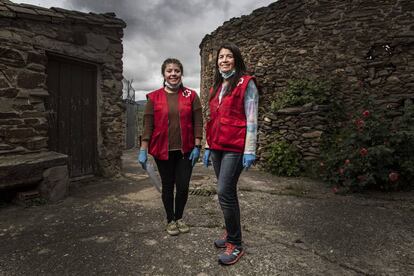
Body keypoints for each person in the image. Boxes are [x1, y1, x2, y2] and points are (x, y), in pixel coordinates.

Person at [203, 43, 259, 265]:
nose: (224, 60)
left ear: (236, 59)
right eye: (220, 57)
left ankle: (235, 244)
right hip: (217, 146)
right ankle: (230, 230)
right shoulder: (217, 86)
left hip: (235, 147)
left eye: (228, 56)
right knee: (228, 193)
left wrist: (250, 150)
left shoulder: (247, 83)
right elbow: (212, 119)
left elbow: (252, 118)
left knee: (224, 191)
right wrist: (208, 146)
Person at [138, 58, 203, 236]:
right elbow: (148, 125)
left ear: (181, 73)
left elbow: (198, 121)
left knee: (182, 186)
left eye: (177, 70)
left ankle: (179, 217)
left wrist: (198, 144)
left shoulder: (191, 95)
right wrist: (143, 149)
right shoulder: (154, 97)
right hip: (162, 150)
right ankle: (170, 220)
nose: (173, 73)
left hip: (186, 150)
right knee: (168, 186)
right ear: (164, 74)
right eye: (169, 71)